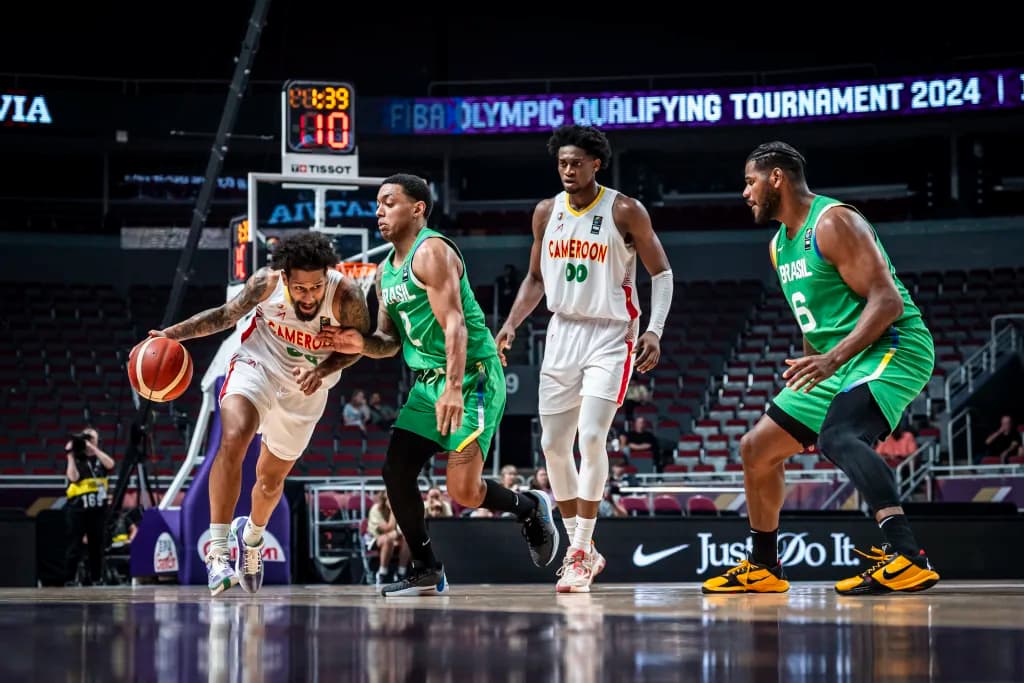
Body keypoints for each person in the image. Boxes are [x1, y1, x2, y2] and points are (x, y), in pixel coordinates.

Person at [702, 141, 939, 596]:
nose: (745, 193)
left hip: (893, 344)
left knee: (840, 437)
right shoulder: (778, 247)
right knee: (757, 449)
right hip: (838, 360)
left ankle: (908, 556)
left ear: (776, 178)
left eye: (750, 182)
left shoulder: (833, 222)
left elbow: (886, 301)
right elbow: (814, 318)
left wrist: (833, 358)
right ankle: (765, 567)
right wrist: (815, 364)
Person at [321, 173, 558, 597]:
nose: (379, 210)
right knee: (395, 471)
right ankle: (426, 566)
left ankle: (529, 507)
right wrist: (357, 343)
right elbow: (389, 343)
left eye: (389, 202)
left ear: (417, 208)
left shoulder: (432, 251)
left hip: (473, 378)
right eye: (377, 203)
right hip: (428, 383)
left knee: (463, 491)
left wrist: (452, 387)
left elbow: (456, 326)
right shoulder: (383, 275)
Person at [495, 125, 673, 593]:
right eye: (562, 163)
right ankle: (585, 548)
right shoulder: (545, 212)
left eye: (576, 162)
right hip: (562, 332)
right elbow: (535, 278)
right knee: (554, 445)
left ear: (597, 164)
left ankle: (579, 550)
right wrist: (512, 322)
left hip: (611, 334)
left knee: (591, 437)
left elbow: (662, 273)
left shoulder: (624, 210)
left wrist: (654, 330)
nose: (568, 170)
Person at [151, 231, 371, 596]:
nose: (309, 296)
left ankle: (250, 539)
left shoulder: (346, 294)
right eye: (300, 289)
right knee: (233, 438)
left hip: (306, 389)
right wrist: (172, 335)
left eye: (316, 287)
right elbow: (223, 316)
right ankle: (218, 553)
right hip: (258, 366)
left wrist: (322, 370)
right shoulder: (266, 283)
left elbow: (359, 347)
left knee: (269, 482)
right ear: (285, 277)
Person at [63, 427, 115, 585]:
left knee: (96, 545)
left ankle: (96, 578)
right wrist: (70, 456)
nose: (89, 442)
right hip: (78, 509)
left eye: (92, 438)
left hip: (98, 510)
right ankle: (70, 579)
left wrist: (94, 449)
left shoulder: (100, 458)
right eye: (87, 439)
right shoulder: (78, 459)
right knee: (74, 545)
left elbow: (110, 464)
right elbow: (73, 477)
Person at [366, 491, 410, 584]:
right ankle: (382, 573)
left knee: (408, 539)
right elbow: (387, 528)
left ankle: (401, 572)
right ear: (385, 500)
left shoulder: (401, 509)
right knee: (387, 539)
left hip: (396, 537)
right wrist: (394, 510)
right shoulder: (376, 509)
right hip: (376, 538)